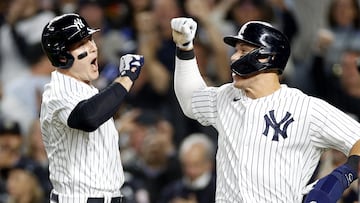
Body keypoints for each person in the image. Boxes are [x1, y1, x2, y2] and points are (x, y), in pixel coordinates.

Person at [170, 17, 360, 202]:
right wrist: (184, 48)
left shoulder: (306, 108)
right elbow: (190, 100)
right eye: (235, 50)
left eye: (243, 50)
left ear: (268, 57)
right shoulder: (225, 97)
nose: (234, 57)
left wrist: (341, 177)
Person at [39, 13, 144, 203]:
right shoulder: (57, 91)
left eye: (90, 40)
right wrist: (126, 78)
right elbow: (87, 118)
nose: (92, 48)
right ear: (62, 57)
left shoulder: (86, 89)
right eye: (81, 45)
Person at [159, 133, 216, 203]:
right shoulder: (171, 191)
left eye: (196, 165)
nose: (190, 170)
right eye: (186, 165)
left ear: (209, 164)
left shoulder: (220, 190)